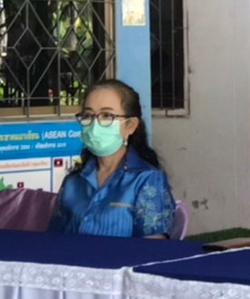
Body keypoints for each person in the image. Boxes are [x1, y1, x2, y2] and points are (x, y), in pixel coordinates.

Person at [49, 78, 175, 238]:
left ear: (130, 126)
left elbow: (154, 246)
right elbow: (54, 239)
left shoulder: (147, 180)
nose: (95, 125)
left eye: (107, 116)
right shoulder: (73, 182)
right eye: (88, 115)